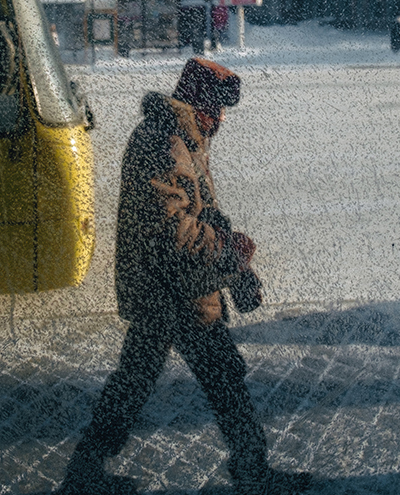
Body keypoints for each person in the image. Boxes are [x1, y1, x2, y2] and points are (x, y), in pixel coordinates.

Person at [57, 58, 311, 495]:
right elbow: (174, 231)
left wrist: (238, 272)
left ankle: (85, 473)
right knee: (221, 378)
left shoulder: (186, 139)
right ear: (202, 105)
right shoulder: (167, 143)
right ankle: (252, 471)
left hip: (176, 287)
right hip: (172, 292)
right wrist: (229, 251)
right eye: (220, 109)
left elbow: (205, 213)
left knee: (136, 381)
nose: (224, 119)